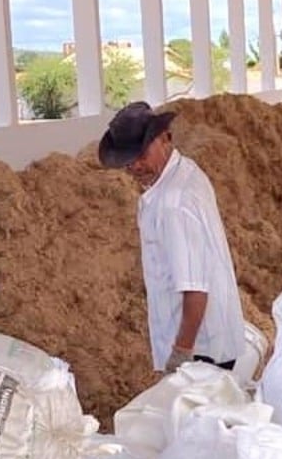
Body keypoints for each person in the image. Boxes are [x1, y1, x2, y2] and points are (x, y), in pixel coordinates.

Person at [98, 101, 244, 373]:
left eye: (141, 154)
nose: (135, 166)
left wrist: (181, 352)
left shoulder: (173, 203)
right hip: (210, 341)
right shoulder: (185, 171)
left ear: (166, 137)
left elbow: (195, 288)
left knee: (198, 415)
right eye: (128, 161)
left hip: (201, 351)